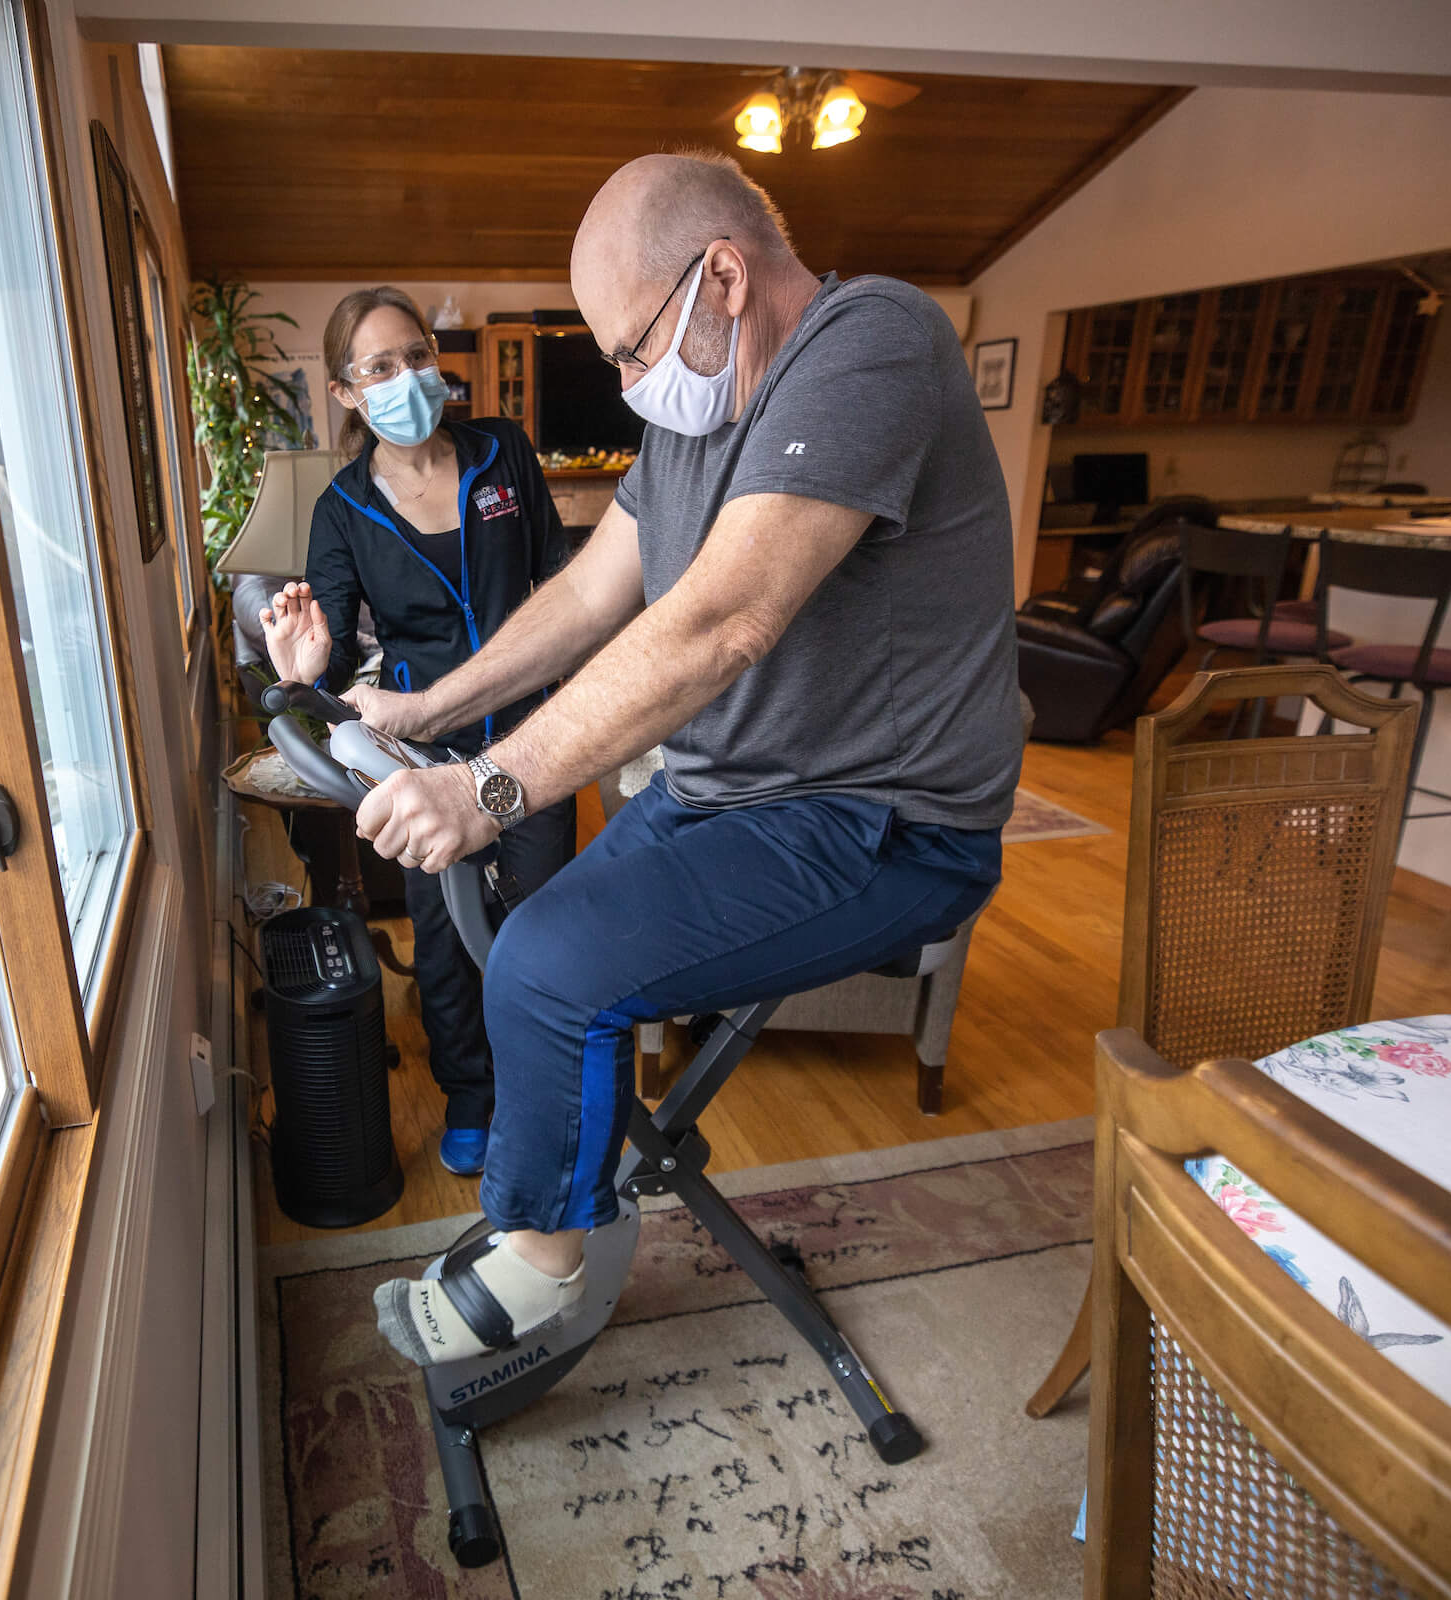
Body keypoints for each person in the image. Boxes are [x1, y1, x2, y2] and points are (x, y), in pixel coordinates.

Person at [338, 153, 1024, 1368]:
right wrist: (425, 708)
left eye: (627, 347)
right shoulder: (686, 413)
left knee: (550, 967)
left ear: (721, 275)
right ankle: (561, 1220)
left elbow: (723, 621)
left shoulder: (873, 340)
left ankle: (542, 1270)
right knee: (532, 956)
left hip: (883, 820)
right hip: (731, 796)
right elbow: (591, 594)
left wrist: (485, 788)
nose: (620, 379)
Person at [260, 286, 577, 1179]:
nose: (408, 378)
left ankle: (542, 1093)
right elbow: (322, 671)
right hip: (424, 751)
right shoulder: (341, 510)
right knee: (446, 939)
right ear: (347, 394)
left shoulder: (501, 451)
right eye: (380, 368)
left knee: (542, 924)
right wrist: (302, 666)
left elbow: (557, 577)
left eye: (418, 356)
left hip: (532, 733)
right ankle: (471, 1098)